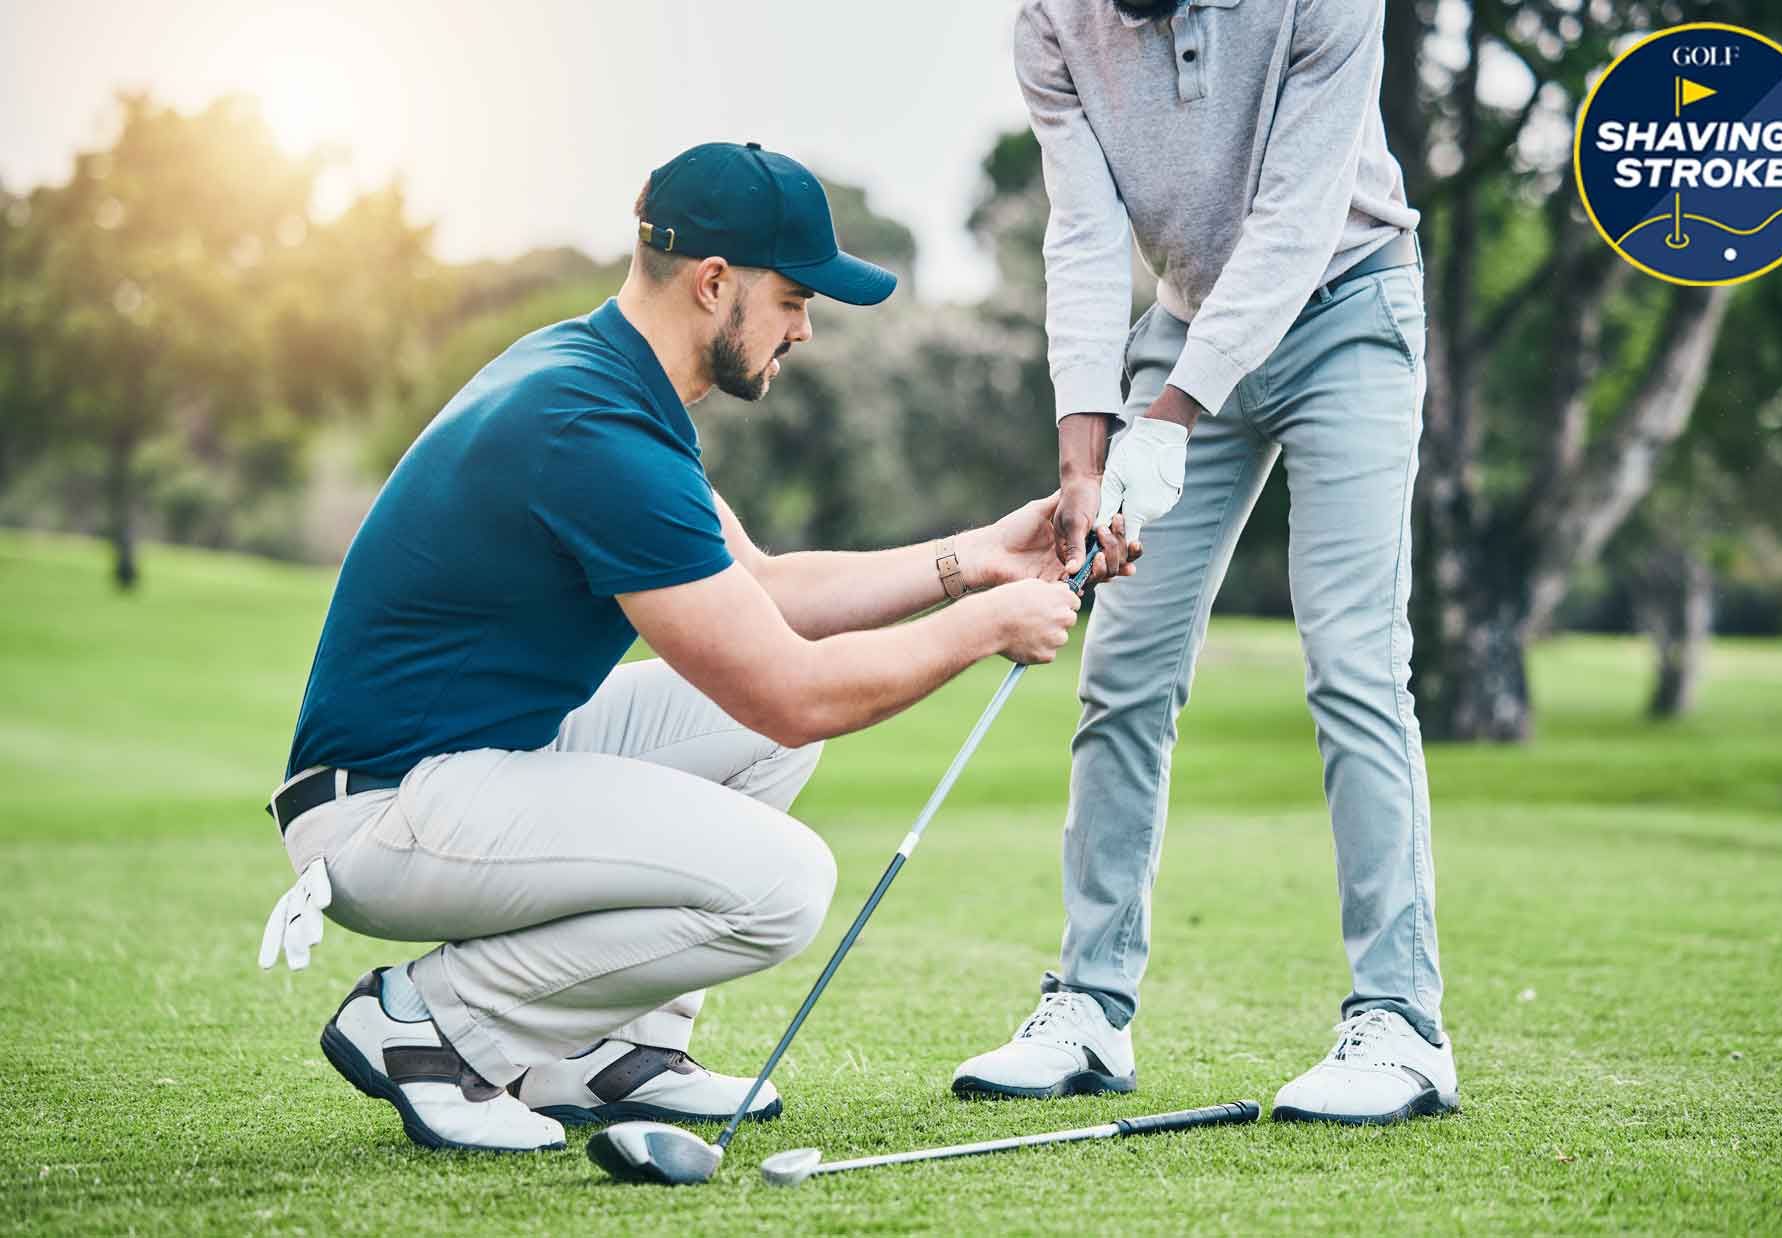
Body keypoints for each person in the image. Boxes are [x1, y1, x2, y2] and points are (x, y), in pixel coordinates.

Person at [257, 141, 1115, 1153]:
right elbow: (793, 688)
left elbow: (761, 594)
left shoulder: (600, 378)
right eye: (793, 297)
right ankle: (433, 1022)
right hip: (386, 811)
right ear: (715, 284)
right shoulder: (596, 432)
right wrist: (982, 629)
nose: (804, 326)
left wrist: (977, 558)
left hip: (460, 769)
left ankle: (606, 1049)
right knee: (783, 881)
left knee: (757, 737)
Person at [952, 0, 1457, 1125]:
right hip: (1180, 325)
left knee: (1354, 661)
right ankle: (1089, 1006)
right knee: (1120, 669)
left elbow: (1294, 215)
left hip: (1345, 302)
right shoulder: (1050, 21)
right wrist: (1083, 454)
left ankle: (1401, 1023)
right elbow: (1082, 233)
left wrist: (1169, 420)